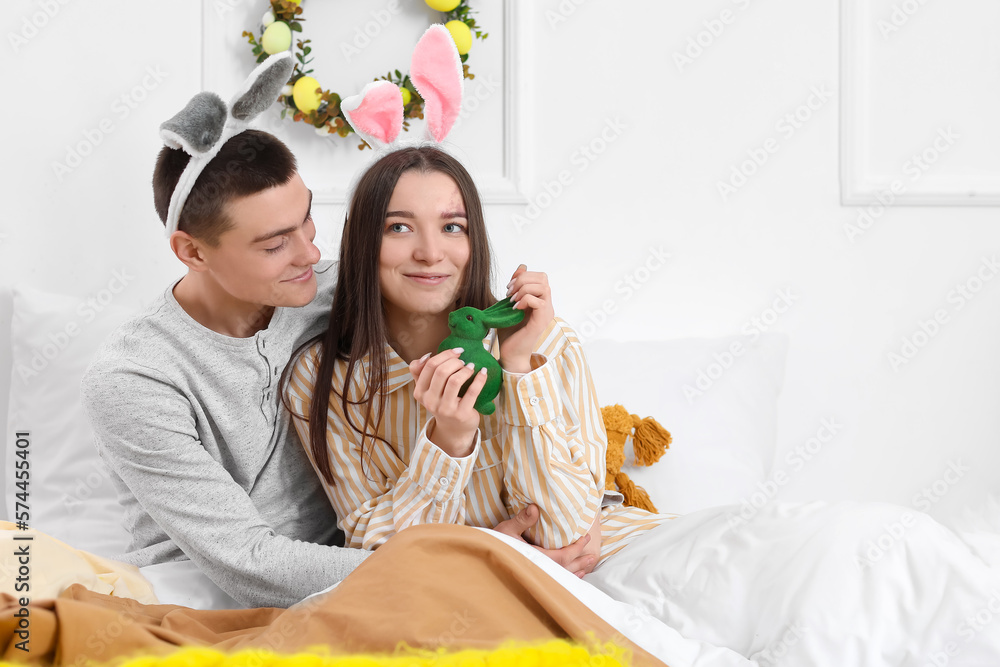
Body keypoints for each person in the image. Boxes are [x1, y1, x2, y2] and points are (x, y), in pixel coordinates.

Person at [281, 146, 670, 573]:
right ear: (362, 240)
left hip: (614, 564)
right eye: (398, 227)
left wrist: (519, 368)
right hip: (460, 600)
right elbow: (381, 558)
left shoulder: (548, 344)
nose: (430, 252)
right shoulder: (323, 378)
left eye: (452, 226)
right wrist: (450, 442)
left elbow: (569, 538)